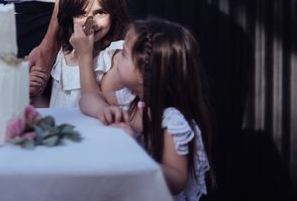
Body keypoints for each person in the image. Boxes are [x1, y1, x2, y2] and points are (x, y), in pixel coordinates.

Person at [75, 18, 213, 200]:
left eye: (123, 54)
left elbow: (177, 180)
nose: (117, 57)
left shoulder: (171, 121)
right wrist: (103, 111)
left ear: (142, 73)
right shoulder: (130, 98)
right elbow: (86, 98)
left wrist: (133, 149)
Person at [32, 0, 129, 108]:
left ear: (114, 13)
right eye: (81, 13)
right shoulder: (62, 53)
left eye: (100, 12)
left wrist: (85, 56)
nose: (90, 22)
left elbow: (99, 108)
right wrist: (32, 95)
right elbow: (56, 108)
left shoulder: (115, 57)